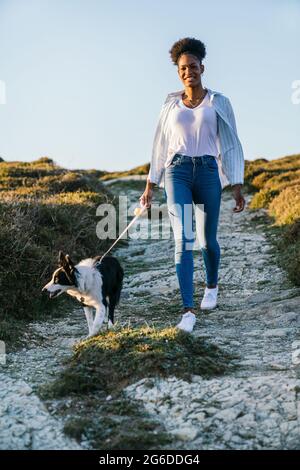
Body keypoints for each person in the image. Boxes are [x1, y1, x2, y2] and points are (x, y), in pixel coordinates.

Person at [140, 37, 245, 333]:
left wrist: (236, 183)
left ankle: (211, 286)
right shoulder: (170, 105)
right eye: (183, 68)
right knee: (183, 239)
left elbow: (231, 144)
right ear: (178, 72)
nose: (189, 71)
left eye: (194, 66)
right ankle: (187, 310)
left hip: (210, 171)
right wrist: (151, 184)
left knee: (207, 240)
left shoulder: (218, 102)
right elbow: (159, 146)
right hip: (178, 172)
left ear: (202, 67)